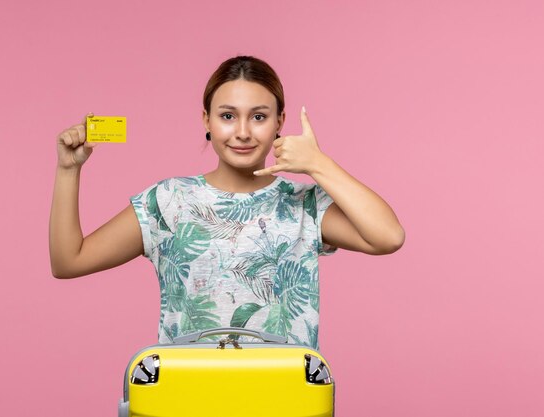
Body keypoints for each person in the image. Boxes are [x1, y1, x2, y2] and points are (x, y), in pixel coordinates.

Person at [49, 55, 405, 350]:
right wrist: (68, 170)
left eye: (260, 116)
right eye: (228, 116)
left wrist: (318, 163)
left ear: (280, 122)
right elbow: (69, 260)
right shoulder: (170, 200)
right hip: (187, 397)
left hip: (283, 398)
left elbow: (388, 236)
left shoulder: (303, 205)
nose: (243, 132)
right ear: (207, 120)